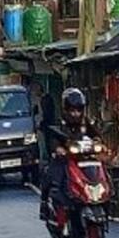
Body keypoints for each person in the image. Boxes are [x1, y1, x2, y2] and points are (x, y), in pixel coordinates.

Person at [41, 87, 96, 216]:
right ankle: (44, 204)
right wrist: (58, 148)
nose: (75, 114)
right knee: (51, 175)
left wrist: (98, 142)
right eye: (72, 110)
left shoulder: (85, 123)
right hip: (66, 159)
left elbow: (95, 135)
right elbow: (53, 140)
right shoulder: (59, 124)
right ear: (66, 110)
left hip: (84, 159)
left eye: (78, 110)